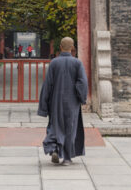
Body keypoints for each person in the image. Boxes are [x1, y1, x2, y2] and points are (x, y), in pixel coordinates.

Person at [37, 37, 88, 166]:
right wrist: (81, 97)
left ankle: (54, 149)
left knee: (56, 125)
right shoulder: (77, 63)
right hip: (72, 101)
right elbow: (82, 83)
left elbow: (47, 84)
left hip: (56, 100)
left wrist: (43, 106)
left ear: (60, 47)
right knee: (70, 127)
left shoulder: (54, 63)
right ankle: (67, 158)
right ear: (72, 48)